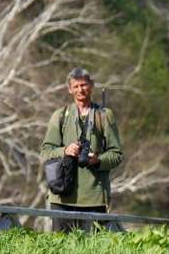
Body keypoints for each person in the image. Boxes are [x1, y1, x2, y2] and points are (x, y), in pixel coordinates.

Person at [41, 67, 124, 232]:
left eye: (84, 85)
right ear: (70, 89)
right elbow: (46, 152)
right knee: (60, 251)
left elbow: (117, 154)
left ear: (91, 86)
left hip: (94, 199)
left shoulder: (104, 115)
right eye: (76, 86)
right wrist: (65, 151)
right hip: (61, 199)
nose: (81, 90)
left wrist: (97, 160)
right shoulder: (60, 116)